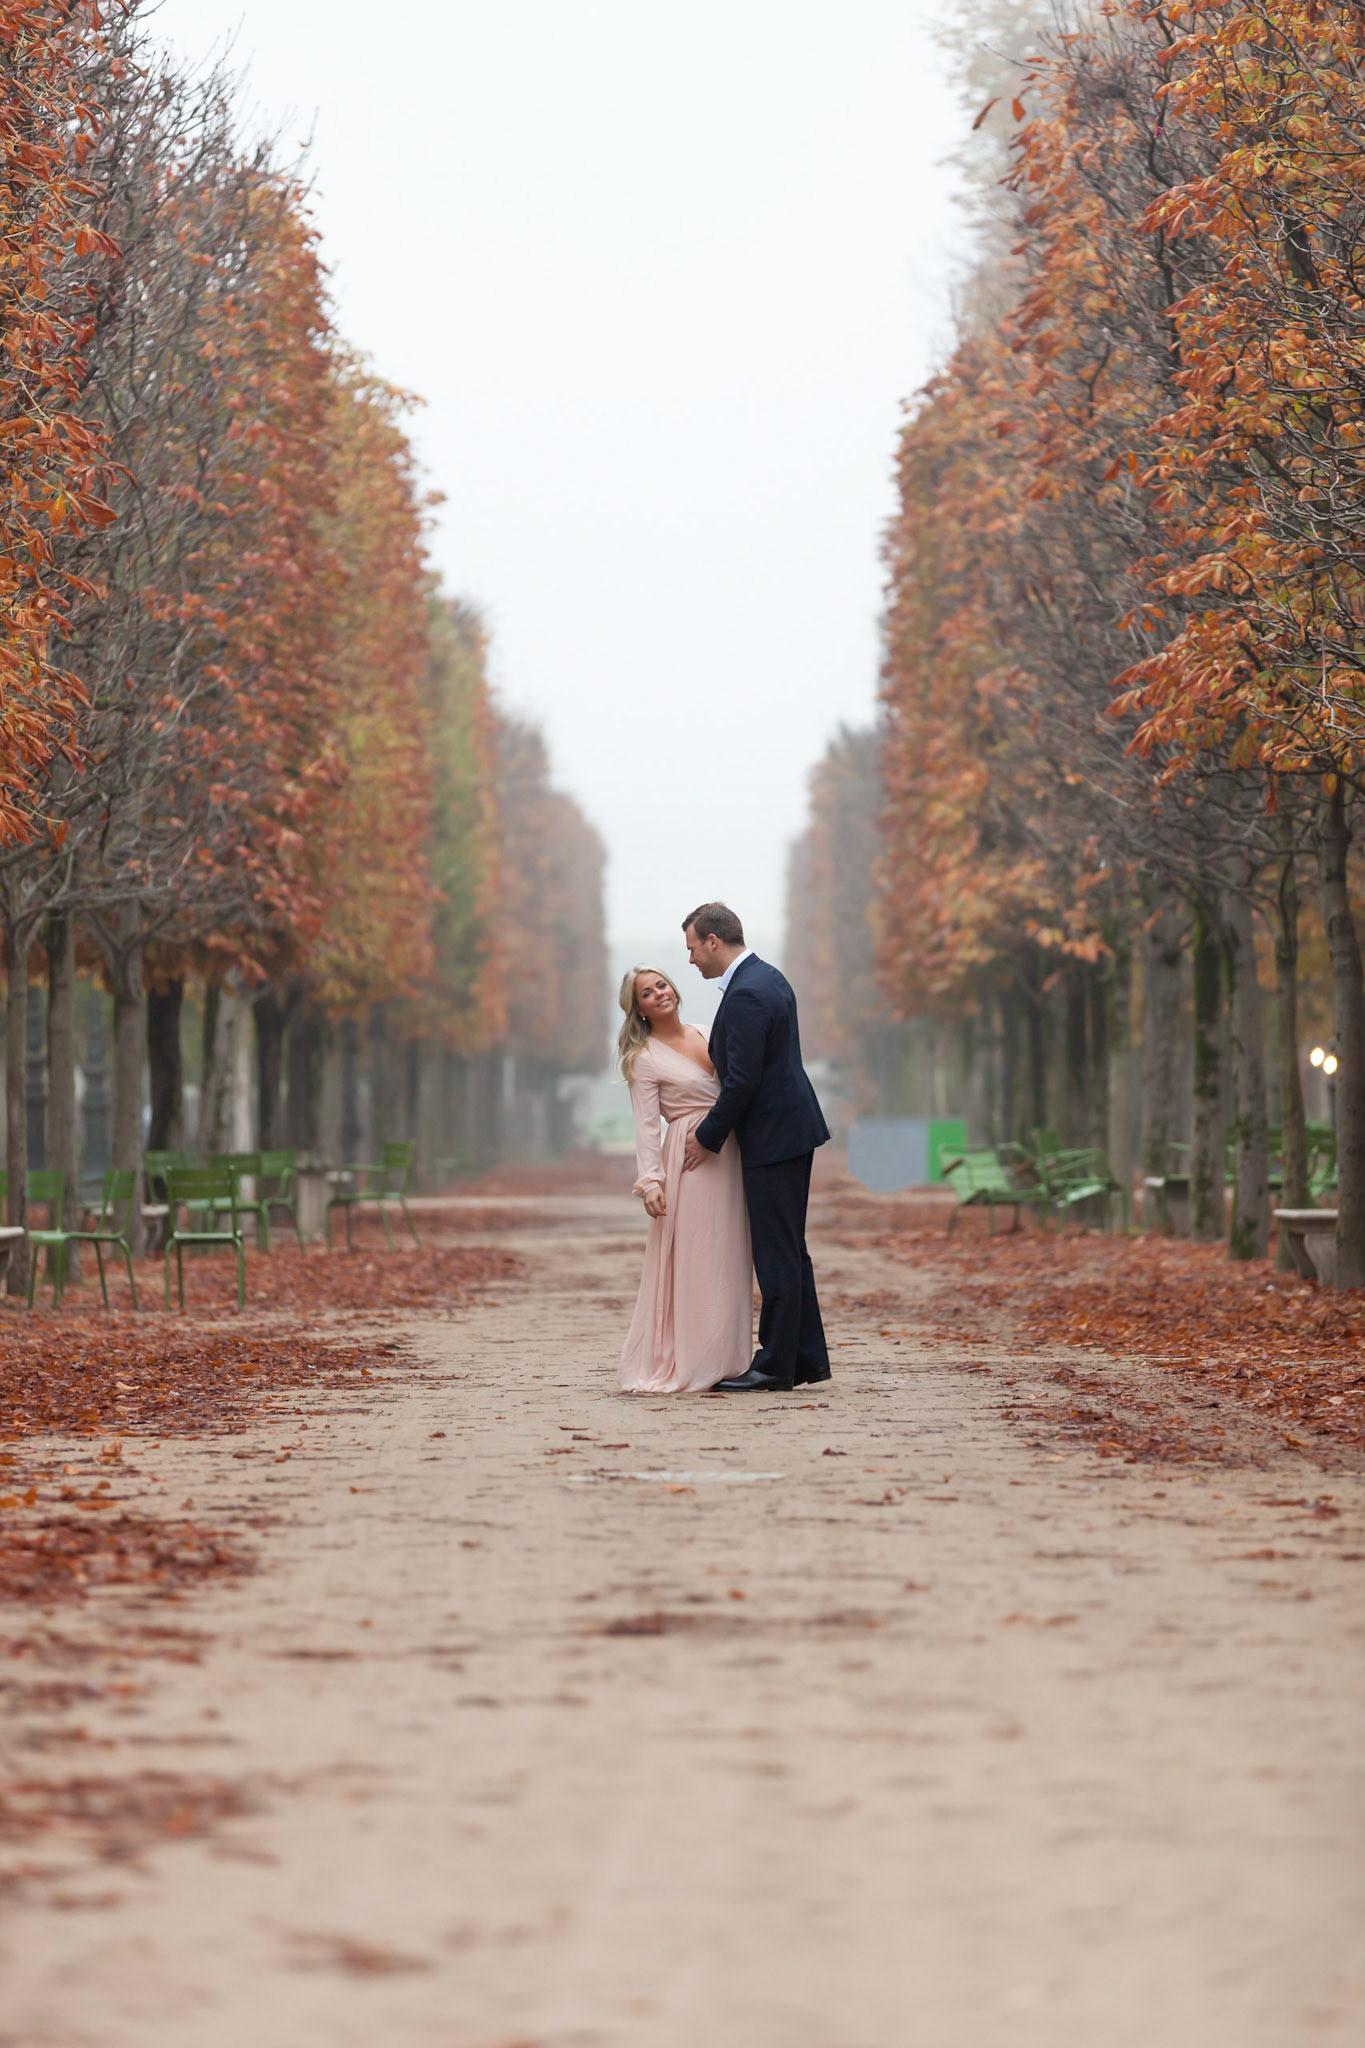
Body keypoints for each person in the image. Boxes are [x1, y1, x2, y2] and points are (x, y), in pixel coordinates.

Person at [682, 902, 831, 1392]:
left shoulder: (746, 994)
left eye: (692, 948)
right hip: (788, 1129)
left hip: (774, 1134)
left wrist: (706, 1137)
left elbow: (742, 1082)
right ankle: (802, 1358)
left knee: (775, 1251)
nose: (690, 961)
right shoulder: (768, 977)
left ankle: (774, 1366)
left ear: (712, 941)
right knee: (789, 1249)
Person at [617, 964, 753, 1393]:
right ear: (638, 1010)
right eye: (646, 994)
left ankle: (731, 1360)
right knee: (698, 1258)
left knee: (731, 1255)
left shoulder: (706, 1031)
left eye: (661, 985)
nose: (658, 994)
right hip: (689, 1158)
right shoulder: (644, 1058)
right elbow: (646, 1126)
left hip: (731, 1151)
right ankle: (695, 1359)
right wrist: (651, 1181)